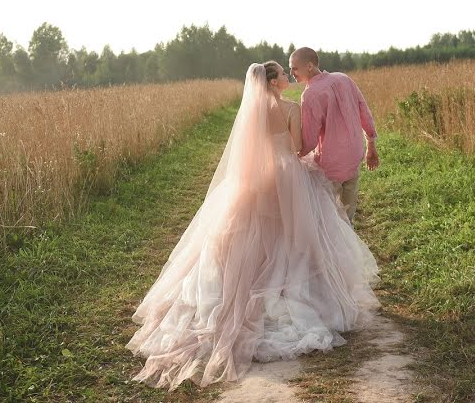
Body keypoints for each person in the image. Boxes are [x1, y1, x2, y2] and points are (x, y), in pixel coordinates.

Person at [126, 62, 380, 391]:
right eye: (284, 75)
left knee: (254, 232)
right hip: (288, 174)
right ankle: (298, 285)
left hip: (256, 177)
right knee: (293, 236)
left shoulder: (251, 113)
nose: (289, 78)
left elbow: (250, 152)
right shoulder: (290, 107)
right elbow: (298, 147)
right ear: (273, 82)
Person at [288, 47, 379, 225]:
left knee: (330, 216)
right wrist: (371, 144)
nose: (291, 73)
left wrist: (296, 154)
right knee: (348, 210)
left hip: (330, 163)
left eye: (294, 68)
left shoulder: (310, 94)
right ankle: (349, 241)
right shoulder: (344, 79)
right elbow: (364, 112)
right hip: (354, 155)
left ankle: (337, 247)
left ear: (309, 66)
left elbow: (309, 139)